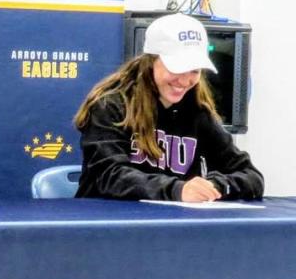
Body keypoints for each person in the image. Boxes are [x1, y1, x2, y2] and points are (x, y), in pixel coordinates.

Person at [74, 13, 262, 201]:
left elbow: (252, 177)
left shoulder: (198, 112)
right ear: (151, 62)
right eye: (177, 68)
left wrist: (214, 186)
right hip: (109, 222)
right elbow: (108, 176)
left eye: (195, 71)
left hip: (171, 224)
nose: (185, 80)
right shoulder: (110, 106)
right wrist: (177, 190)